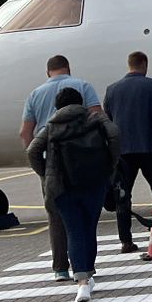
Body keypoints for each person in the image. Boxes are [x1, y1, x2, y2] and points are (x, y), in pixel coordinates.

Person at [27, 86, 120, 302]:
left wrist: (47, 172)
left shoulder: (51, 126)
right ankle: (88, 272)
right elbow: (115, 135)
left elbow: (32, 150)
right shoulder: (94, 120)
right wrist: (110, 165)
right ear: (81, 103)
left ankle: (82, 282)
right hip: (94, 184)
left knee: (74, 230)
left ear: (58, 106)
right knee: (89, 228)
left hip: (63, 188)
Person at [20, 55, 98, 282]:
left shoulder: (34, 94)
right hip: (84, 162)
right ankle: (85, 266)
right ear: (68, 68)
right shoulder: (83, 86)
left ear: (48, 72)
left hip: (52, 164)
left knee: (56, 217)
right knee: (84, 216)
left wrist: (43, 169)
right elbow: (97, 117)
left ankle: (60, 268)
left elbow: (26, 133)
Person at [105, 50, 152, 252]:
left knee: (123, 195)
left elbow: (108, 122)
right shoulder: (151, 85)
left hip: (123, 152)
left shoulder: (112, 90)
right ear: (144, 65)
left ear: (129, 65)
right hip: (148, 148)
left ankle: (125, 240)